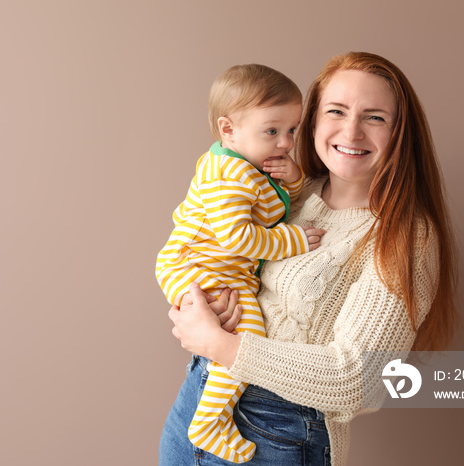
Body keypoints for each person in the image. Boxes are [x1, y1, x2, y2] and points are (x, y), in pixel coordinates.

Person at [162, 52, 458, 466]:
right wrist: (193, 304)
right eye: (336, 111)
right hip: (199, 398)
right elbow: (216, 246)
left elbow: (360, 380)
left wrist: (222, 344)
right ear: (314, 121)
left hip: (281, 433)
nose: (351, 131)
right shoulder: (289, 194)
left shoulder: (406, 237)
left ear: (400, 133)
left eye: (375, 118)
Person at [156, 64, 326, 463]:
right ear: (228, 130)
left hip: (217, 268)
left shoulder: (251, 165)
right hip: (198, 266)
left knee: (240, 336)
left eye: (292, 130)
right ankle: (210, 420)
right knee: (246, 336)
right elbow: (239, 238)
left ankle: (212, 413)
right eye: (272, 131)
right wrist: (295, 240)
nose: (285, 142)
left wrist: (295, 178)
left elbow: (273, 205)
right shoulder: (229, 174)